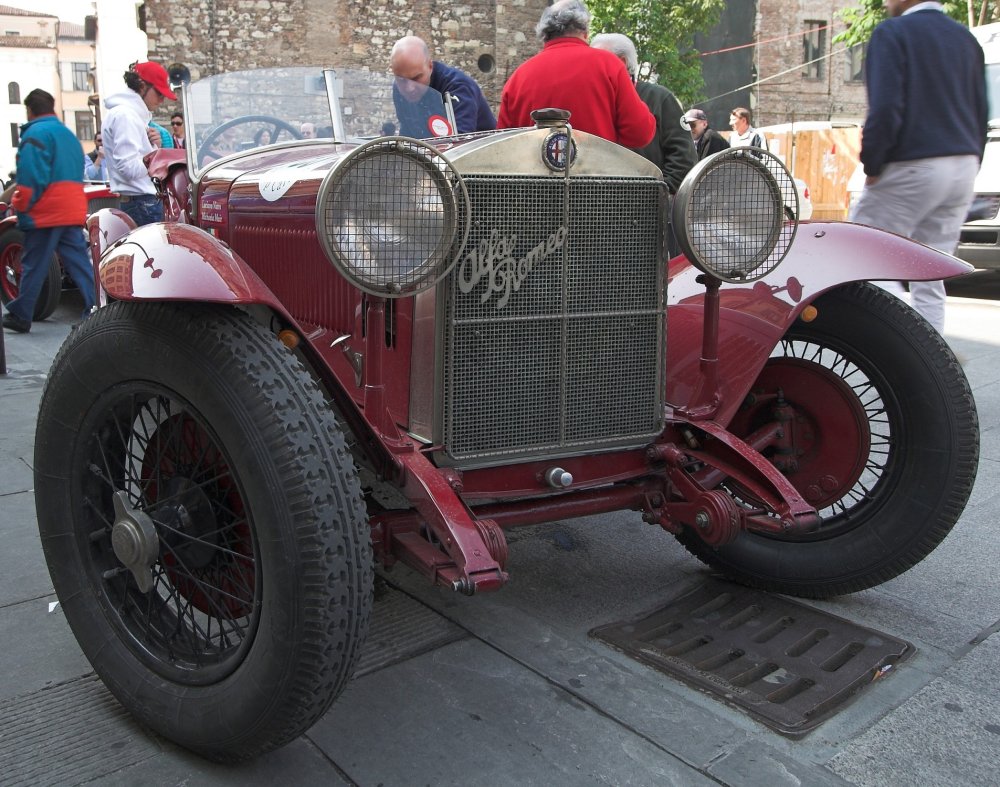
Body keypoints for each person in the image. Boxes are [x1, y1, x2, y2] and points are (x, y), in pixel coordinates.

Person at [850, 0, 986, 335]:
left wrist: (873, 163)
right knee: (930, 273)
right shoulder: (965, 38)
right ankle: (934, 355)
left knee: (861, 254)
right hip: (962, 163)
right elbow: (981, 108)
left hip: (914, 161)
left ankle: (897, 343)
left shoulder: (893, 33)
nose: (884, 2)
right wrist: (972, 160)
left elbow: (885, 108)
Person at [497, 0, 655, 148]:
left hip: (534, 176)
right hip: (597, 174)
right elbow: (640, 134)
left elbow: (502, 145)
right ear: (585, 31)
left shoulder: (518, 78)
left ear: (544, 35)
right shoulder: (609, 65)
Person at [2, 89, 95, 333]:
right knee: (79, 263)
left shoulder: (35, 134)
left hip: (45, 211)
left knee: (34, 263)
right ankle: (95, 308)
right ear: (52, 108)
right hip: (71, 208)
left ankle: (22, 314)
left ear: (29, 110)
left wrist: (21, 204)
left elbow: (32, 177)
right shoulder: (68, 135)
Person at [591, 33, 695, 194]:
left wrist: (659, 191)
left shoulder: (660, 98)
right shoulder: (594, 98)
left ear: (621, 62)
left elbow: (683, 156)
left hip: (648, 208)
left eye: (598, 60)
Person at [101, 61, 176, 226]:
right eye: (159, 93)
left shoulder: (126, 114)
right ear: (142, 86)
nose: (162, 100)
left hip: (140, 201)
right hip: (143, 203)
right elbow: (128, 168)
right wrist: (156, 155)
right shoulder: (126, 116)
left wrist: (153, 148)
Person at [390, 35, 496, 134]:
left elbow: (461, 143)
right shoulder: (399, 89)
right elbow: (407, 131)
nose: (409, 88)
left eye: (416, 78)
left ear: (430, 66)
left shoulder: (458, 87)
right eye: (402, 80)